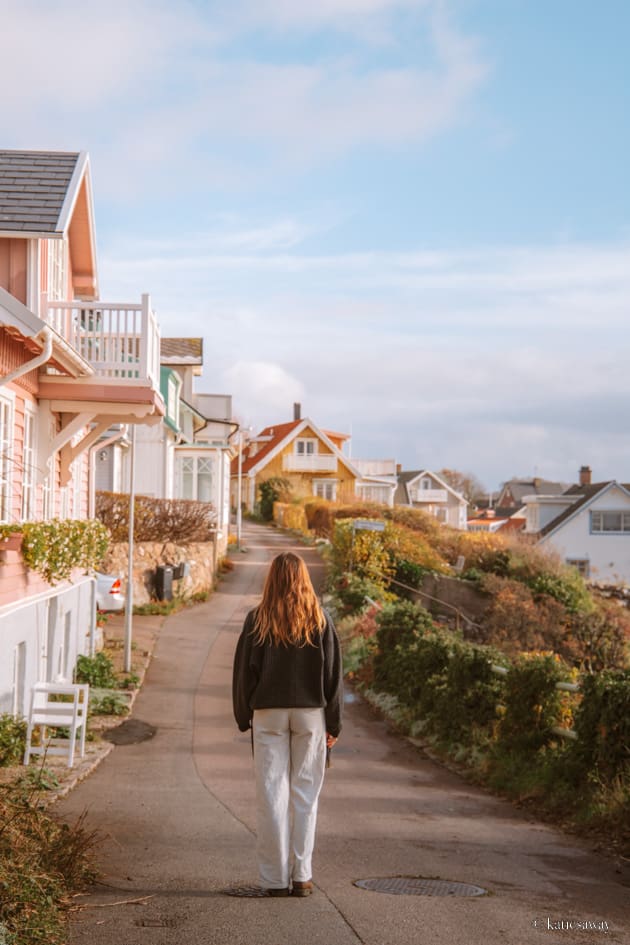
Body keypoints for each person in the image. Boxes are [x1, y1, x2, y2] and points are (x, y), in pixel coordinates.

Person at [232, 551, 343, 898]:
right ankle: (302, 876)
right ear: (304, 578)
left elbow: (242, 674)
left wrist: (242, 716)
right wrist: (334, 724)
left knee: (271, 793)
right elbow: (333, 675)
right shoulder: (320, 620)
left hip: (268, 713)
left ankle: (274, 880)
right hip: (311, 713)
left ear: (272, 579)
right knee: (305, 795)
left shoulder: (257, 619)